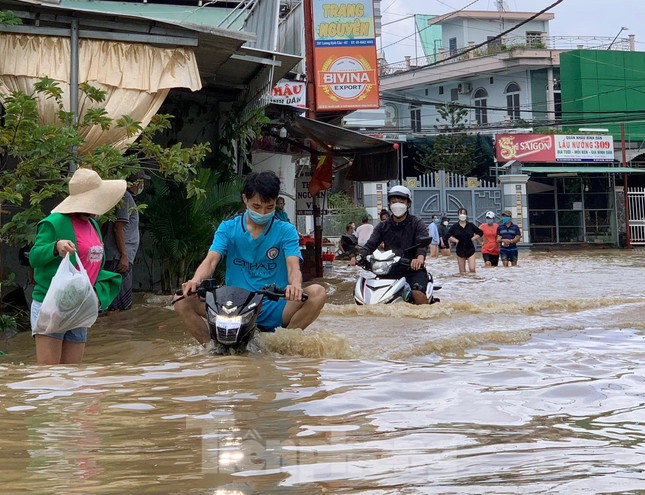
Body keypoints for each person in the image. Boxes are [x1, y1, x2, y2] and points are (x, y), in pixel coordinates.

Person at [173, 170, 327, 346]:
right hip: (233, 307)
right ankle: (212, 348)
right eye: (256, 207)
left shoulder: (286, 231)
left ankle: (281, 344)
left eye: (269, 207)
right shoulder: (228, 228)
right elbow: (211, 260)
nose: (262, 213)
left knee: (317, 293)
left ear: (276, 202)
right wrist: (196, 280)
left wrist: (296, 286)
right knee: (181, 300)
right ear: (245, 199)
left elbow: (293, 267)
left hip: (275, 306)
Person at [29, 168, 125, 365]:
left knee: (74, 376)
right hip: (51, 306)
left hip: (79, 308)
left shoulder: (93, 225)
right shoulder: (54, 222)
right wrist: (55, 248)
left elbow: (94, 266)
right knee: (50, 376)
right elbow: (35, 257)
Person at [350, 185, 430, 305]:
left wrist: (419, 258)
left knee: (417, 292)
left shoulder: (417, 223)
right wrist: (358, 257)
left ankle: (426, 318)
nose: (397, 204)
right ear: (389, 204)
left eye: (401, 201)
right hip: (388, 269)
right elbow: (370, 245)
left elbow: (422, 245)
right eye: (394, 201)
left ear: (408, 203)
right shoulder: (382, 226)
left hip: (412, 270)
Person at [103, 170, 149, 310]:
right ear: (135, 182)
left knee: (113, 303)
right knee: (119, 307)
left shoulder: (121, 197)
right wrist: (124, 256)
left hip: (115, 256)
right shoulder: (125, 198)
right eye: (141, 181)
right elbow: (118, 228)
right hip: (118, 258)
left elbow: (107, 225)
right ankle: (117, 331)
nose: (142, 185)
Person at [445, 207, 483, 274]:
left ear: (466, 215)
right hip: (460, 250)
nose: (462, 215)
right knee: (462, 272)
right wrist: (455, 240)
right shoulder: (454, 226)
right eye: (461, 213)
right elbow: (447, 236)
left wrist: (473, 238)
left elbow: (480, 232)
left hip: (470, 249)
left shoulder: (471, 225)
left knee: (472, 269)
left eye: (464, 213)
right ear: (458, 215)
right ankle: (463, 282)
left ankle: (473, 282)